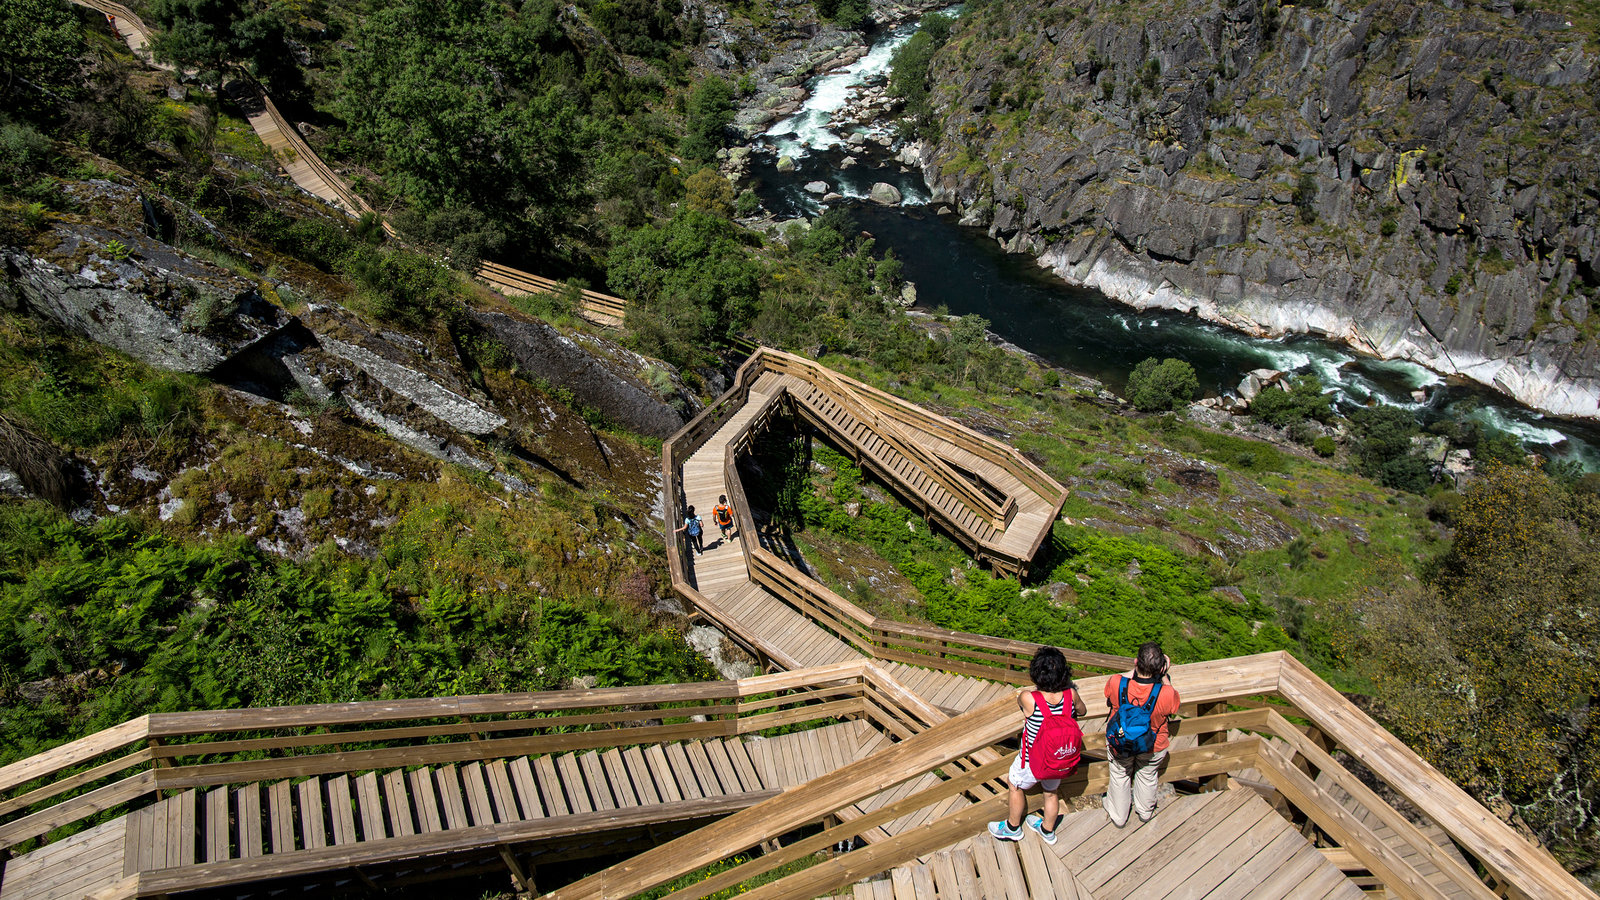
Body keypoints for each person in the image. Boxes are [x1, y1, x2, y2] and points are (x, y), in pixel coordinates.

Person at [988, 647, 1087, 845]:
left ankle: (1013, 827)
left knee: (1014, 785)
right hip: (1059, 758)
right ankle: (1047, 831)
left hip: (1032, 759)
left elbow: (1020, 703)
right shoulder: (1071, 695)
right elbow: (1082, 711)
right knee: (1051, 794)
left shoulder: (1029, 698)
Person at [1102, 641, 1181, 827]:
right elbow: (1174, 707)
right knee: (1147, 775)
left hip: (1120, 742)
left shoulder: (1116, 682)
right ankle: (1145, 811)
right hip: (1153, 743)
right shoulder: (1166, 693)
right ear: (1160, 667)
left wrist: (1136, 669)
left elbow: (1116, 684)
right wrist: (1164, 676)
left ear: (1136, 662)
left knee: (1120, 775)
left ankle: (1119, 816)